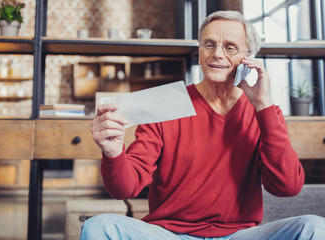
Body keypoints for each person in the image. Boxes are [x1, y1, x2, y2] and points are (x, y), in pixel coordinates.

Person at [81, 10, 325, 240]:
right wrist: (113, 153)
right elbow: (126, 189)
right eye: (209, 44)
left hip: (238, 235)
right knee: (98, 226)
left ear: (248, 57)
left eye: (230, 47)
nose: (217, 53)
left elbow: (287, 187)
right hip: (169, 234)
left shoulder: (264, 112)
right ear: (199, 51)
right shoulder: (165, 105)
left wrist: (263, 106)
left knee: (314, 227)